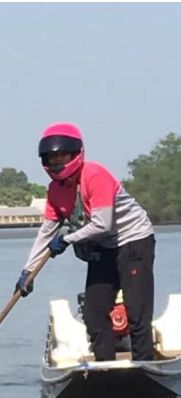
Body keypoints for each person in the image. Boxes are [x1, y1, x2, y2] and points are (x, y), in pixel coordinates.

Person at [15, 122, 156, 361]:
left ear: (75, 153)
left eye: (62, 156)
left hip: (134, 240)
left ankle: (144, 364)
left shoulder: (95, 175)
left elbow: (103, 224)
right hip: (104, 247)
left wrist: (67, 239)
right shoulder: (55, 190)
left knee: (136, 311)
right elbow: (46, 233)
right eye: (51, 158)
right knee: (94, 313)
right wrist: (28, 272)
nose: (57, 162)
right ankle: (105, 368)